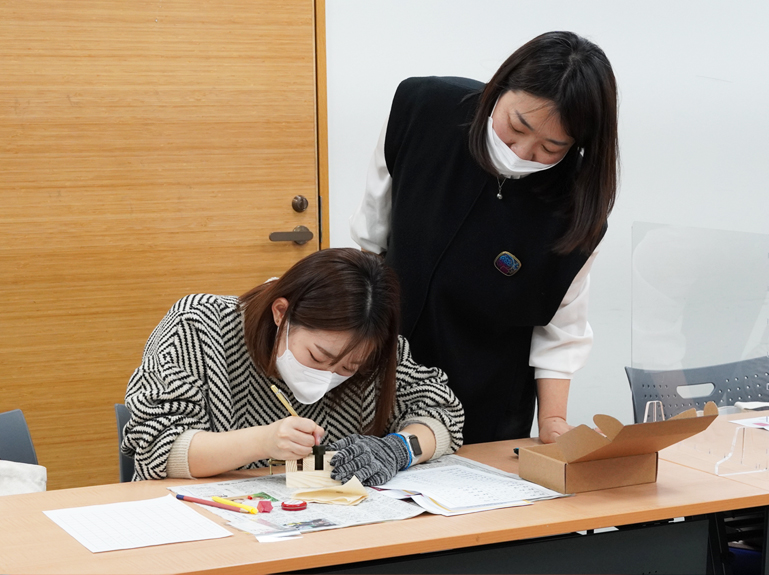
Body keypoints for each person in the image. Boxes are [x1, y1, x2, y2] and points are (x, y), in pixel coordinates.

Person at [350, 31, 618, 445]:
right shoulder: (423, 110)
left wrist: (553, 422)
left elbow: (561, 330)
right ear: (501, 85)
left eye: (551, 147)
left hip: (487, 400)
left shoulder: (576, 205)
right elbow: (368, 243)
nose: (522, 151)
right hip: (383, 370)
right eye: (517, 125)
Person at [121, 248, 464, 485]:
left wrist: (399, 449)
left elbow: (443, 413)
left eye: (350, 366)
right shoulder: (198, 325)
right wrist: (263, 441)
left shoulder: (376, 352)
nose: (329, 375)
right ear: (281, 312)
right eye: (318, 357)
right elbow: (157, 449)